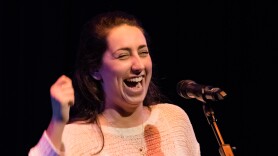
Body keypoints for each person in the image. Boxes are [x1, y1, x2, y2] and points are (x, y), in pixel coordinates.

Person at [28, 11, 200, 156]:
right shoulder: (75, 137)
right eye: (123, 55)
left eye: (143, 52)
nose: (138, 65)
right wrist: (57, 121)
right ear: (95, 69)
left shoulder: (174, 119)